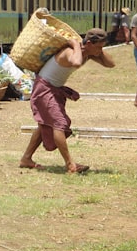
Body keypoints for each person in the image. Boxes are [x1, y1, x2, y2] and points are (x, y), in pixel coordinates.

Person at [19, 28, 114, 174]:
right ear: (88, 43)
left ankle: (26, 159)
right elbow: (76, 62)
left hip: (53, 88)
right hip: (44, 88)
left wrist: (98, 51)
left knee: (45, 124)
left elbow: (110, 64)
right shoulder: (71, 52)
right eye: (99, 47)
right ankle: (70, 165)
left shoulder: (88, 53)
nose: (100, 51)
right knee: (59, 124)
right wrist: (76, 45)